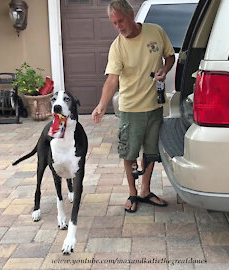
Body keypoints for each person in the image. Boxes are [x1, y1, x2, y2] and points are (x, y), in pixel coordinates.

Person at [91, 0, 175, 213]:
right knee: (129, 153)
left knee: (151, 152)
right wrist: (101, 105)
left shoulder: (155, 32)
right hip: (130, 110)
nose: (119, 27)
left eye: (121, 21)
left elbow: (170, 56)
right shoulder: (117, 46)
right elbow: (112, 80)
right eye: (114, 24)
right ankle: (132, 192)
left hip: (154, 106)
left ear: (131, 14)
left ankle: (145, 190)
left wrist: (165, 70)